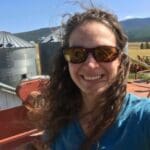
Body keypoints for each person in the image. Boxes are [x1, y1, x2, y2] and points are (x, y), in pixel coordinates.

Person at [22, 8, 150, 150]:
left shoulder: (143, 118)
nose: (90, 65)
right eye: (77, 54)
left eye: (104, 53)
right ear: (66, 61)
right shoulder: (58, 119)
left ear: (120, 60)